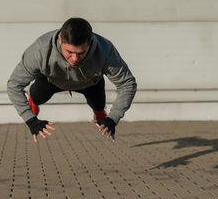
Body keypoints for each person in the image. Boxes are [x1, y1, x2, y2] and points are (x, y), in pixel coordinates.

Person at [7, 17, 137, 143]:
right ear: (60, 39)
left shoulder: (105, 50)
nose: (75, 59)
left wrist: (113, 118)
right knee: (37, 97)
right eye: (69, 52)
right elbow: (14, 85)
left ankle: (99, 112)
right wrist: (30, 120)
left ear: (90, 41)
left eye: (81, 53)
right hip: (51, 80)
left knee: (98, 105)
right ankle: (33, 101)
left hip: (90, 81)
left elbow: (127, 84)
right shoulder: (41, 49)